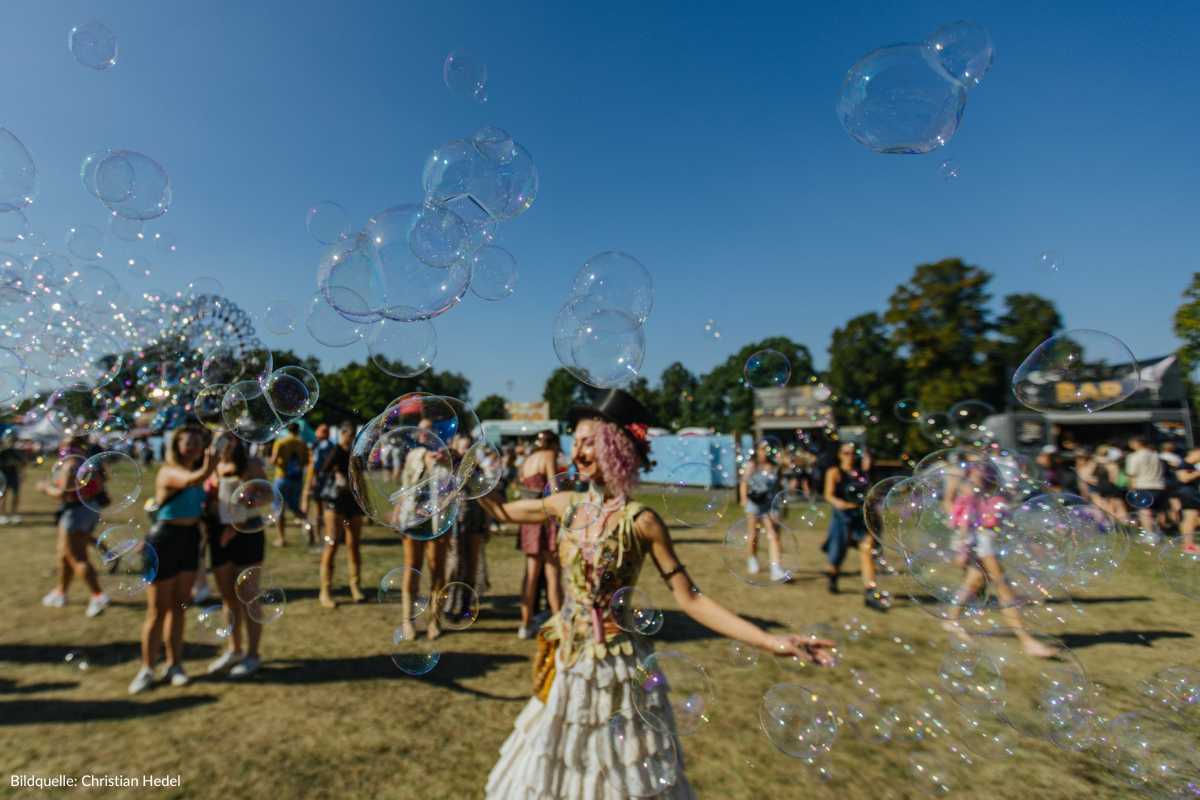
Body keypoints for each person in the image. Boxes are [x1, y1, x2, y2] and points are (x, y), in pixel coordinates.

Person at [476, 390, 835, 799]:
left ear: (616, 447)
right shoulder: (565, 505)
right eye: (574, 441)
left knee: (620, 771)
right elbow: (501, 512)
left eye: (589, 441)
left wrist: (772, 641)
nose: (577, 451)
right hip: (569, 661)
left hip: (618, 667)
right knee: (563, 761)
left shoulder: (641, 521)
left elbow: (692, 599)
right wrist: (466, 476)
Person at [941, 462, 1060, 659]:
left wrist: (1030, 544)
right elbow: (965, 525)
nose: (979, 478)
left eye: (984, 474)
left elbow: (1006, 523)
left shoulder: (994, 496)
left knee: (974, 582)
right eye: (975, 475)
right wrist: (962, 548)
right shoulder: (972, 496)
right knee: (1005, 591)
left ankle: (951, 619)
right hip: (984, 545)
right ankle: (1026, 640)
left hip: (989, 543)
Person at [130, 426, 215, 694]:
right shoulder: (170, 471)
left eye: (197, 443)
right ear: (175, 445)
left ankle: (175, 665)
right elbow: (193, 478)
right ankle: (146, 669)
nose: (192, 447)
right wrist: (211, 463)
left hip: (189, 539)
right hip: (164, 540)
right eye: (187, 442)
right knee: (157, 611)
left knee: (179, 607)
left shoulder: (198, 475)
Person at [206, 434, 269, 678]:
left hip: (246, 533)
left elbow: (268, 494)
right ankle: (234, 649)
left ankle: (253, 655)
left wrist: (249, 501)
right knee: (228, 598)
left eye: (229, 439)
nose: (224, 444)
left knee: (249, 595)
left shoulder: (250, 465)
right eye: (219, 440)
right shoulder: (210, 466)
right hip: (218, 534)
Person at [38, 434, 109, 618]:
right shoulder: (87, 462)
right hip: (88, 509)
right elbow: (99, 487)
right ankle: (61, 592)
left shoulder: (70, 464)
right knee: (64, 554)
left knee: (77, 557)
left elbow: (63, 494)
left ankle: (98, 595)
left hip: (75, 512)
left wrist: (45, 488)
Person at [821, 443, 885, 609]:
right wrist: (838, 502)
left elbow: (873, 492)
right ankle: (833, 577)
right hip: (842, 516)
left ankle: (870, 591)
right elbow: (828, 494)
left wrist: (868, 466)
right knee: (837, 553)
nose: (849, 456)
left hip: (861, 515)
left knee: (867, 549)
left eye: (852, 453)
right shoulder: (834, 472)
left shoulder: (863, 472)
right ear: (839, 455)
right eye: (845, 453)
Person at [514, 430, 563, 639]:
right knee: (553, 575)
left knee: (530, 576)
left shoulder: (527, 460)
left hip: (529, 519)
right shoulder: (548, 456)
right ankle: (560, 624)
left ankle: (525, 625)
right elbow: (554, 489)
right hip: (546, 519)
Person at [317, 426, 366, 608]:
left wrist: (365, 504)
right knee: (332, 544)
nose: (349, 437)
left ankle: (355, 587)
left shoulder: (356, 455)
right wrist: (335, 470)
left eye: (352, 434)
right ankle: (325, 591)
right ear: (341, 434)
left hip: (352, 501)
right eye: (346, 433)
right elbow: (322, 470)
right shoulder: (335, 451)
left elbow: (361, 480)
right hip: (334, 500)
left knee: (354, 544)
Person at [739, 440, 789, 582]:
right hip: (754, 503)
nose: (764, 452)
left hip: (770, 504)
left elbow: (787, 468)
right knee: (753, 534)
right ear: (757, 450)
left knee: (774, 535)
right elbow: (744, 482)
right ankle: (752, 559)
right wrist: (743, 499)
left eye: (767, 449)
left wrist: (782, 459)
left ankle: (776, 568)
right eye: (762, 449)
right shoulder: (752, 465)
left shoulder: (774, 466)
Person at [269, 422, 312, 547]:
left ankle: (281, 538)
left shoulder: (281, 442)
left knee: (279, 509)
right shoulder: (302, 443)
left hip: (282, 477)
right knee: (295, 508)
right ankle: (310, 531)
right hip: (296, 479)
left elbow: (273, 460)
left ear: (288, 430)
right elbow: (305, 461)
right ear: (298, 430)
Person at [1126, 436, 1165, 533]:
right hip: (1158, 485)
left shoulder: (1134, 456)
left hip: (1142, 485)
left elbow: (1132, 474)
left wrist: (1131, 489)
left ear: (1136, 443)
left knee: (1144, 511)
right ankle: (1159, 531)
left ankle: (1149, 534)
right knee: (1157, 511)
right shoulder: (1156, 455)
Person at [307, 424, 335, 545]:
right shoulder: (318, 445)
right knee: (322, 510)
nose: (322, 433)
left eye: (325, 431)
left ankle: (322, 535)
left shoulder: (323, 446)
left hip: (323, 481)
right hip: (321, 481)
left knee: (323, 510)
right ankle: (322, 535)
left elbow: (316, 464)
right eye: (321, 431)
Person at [0, 431, 23, 524]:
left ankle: (14, 514)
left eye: (12, 438)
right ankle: (2, 515)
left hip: (13, 474)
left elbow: (22, 461)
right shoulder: (2, 450)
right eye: (9, 438)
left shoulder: (15, 450)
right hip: (3, 475)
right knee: (3, 496)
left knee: (16, 495)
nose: (10, 440)